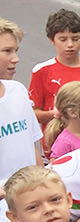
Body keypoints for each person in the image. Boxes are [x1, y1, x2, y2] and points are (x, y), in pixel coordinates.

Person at [28, 9, 80, 128]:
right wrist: (55, 114)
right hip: (54, 136)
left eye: (75, 39)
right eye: (63, 39)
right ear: (51, 40)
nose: (70, 45)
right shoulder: (42, 70)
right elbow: (32, 113)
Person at [0, 20, 44, 184]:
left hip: (30, 192)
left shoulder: (18, 90)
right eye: (7, 51)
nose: (16, 59)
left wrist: (44, 182)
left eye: (16, 51)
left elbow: (31, 147)